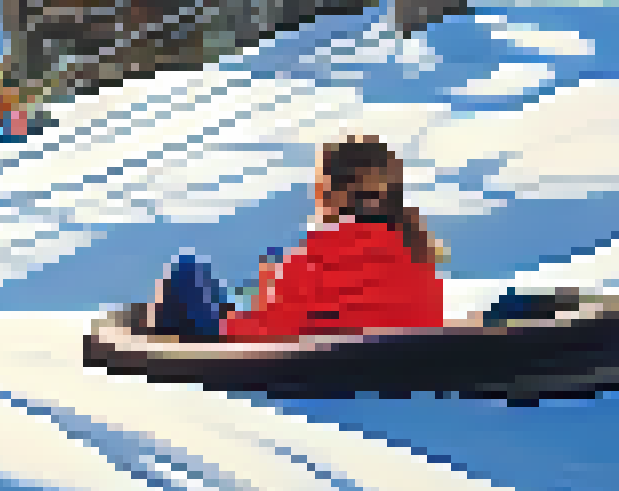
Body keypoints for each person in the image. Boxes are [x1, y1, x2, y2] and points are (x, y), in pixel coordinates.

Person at [149, 135, 446, 339]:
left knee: (188, 269)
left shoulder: (321, 254)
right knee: (222, 294)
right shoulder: (418, 250)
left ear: (330, 192)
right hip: (392, 358)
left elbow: (269, 334)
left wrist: (241, 316)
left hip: (305, 363)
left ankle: (155, 358)